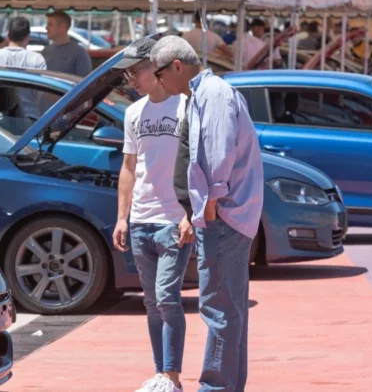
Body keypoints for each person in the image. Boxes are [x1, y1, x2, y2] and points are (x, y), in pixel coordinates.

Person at [150, 36, 263, 392]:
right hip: (226, 216)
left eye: (158, 74)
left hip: (223, 217)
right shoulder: (206, 94)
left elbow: (217, 157)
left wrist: (209, 209)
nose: (158, 82)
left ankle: (216, 386)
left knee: (218, 309)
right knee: (229, 310)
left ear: (176, 66)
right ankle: (226, 385)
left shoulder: (212, 95)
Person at [112, 38, 191, 392]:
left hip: (174, 220)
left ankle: (171, 377)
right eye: (127, 74)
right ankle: (161, 375)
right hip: (141, 220)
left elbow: (198, 163)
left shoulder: (185, 106)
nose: (131, 79)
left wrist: (190, 213)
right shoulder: (133, 112)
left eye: (135, 71)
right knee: (151, 302)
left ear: (156, 66)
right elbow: (129, 167)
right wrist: (122, 217)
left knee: (166, 297)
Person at [0, 17, 48, 120]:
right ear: (28, 37)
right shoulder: (37, 59)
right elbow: (42, 92)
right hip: (30, 116)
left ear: (8, 35)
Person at [42, 10, 92, 76]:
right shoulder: (45, 51)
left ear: (62, 27)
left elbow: (86, 81)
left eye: (50, 25)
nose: (46, 28)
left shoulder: (79, 53)